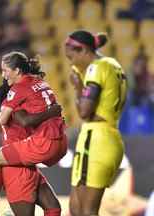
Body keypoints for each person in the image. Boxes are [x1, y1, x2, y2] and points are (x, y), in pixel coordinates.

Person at [0, 51, 68, 216]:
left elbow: (14, 120)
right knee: (53, 208)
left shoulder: (18, 94)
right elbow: (28, 119)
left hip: (24, 163)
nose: (3, 74)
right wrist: (52, 112)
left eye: (5, 70)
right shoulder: (38, 85)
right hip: (40, 152)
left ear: (17, 71)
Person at [64, 30, 127, 215]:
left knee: (87, 212)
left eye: (72, 56)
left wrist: (77, 88)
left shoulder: (96, 68)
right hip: (107, 136)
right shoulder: (113, 64)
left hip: (97, 139)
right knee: (75, 210)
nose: (71, 62)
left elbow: (84, 111)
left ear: (83, 50)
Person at [0, 80, 63, 216]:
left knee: (53, 208)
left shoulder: (6, 108)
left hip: (25, 162)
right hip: (17, 170)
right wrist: (51, 112)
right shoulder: (17, 108)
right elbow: (26, 121)